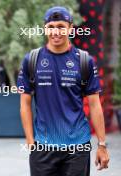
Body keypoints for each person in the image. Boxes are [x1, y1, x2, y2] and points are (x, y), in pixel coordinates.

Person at [17, 6, 109, 176]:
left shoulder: (84, 60)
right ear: (45, 29)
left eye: (61, 26)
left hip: (77, 147)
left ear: (70, 28)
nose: (55, 32)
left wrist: (102, 145)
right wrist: (31, 142)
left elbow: (95, 105)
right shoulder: (32, 60)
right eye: (51, 27)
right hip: (43, 146)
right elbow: (24, 104)